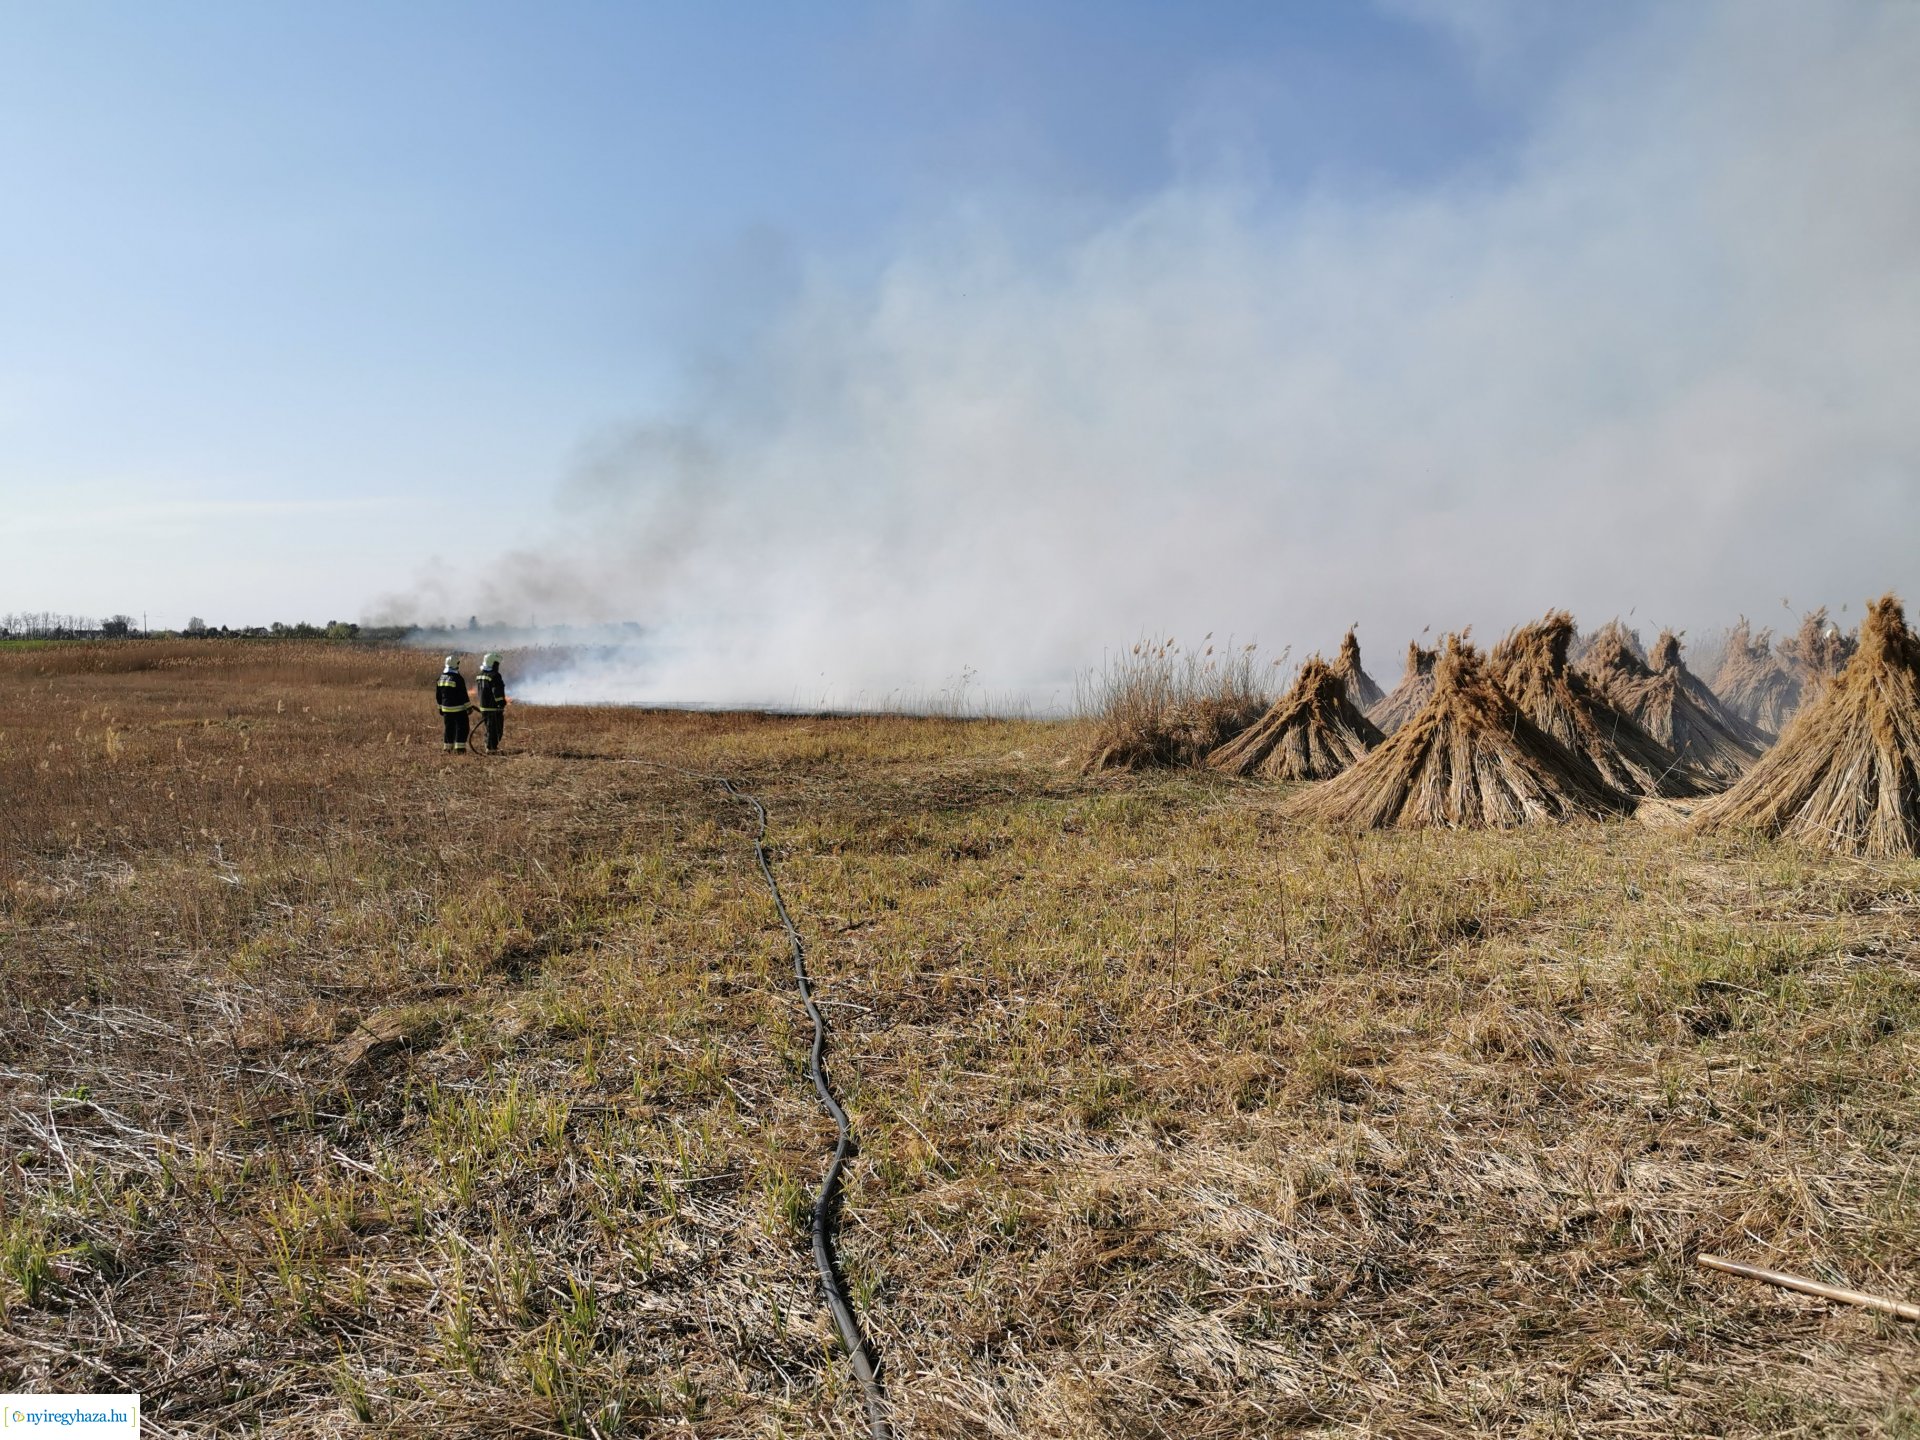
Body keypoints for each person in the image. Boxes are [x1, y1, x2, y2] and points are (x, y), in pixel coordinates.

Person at [436, 655, 473, 753]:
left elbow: (438, 695)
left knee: (449, 728)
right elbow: (463, 695)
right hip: (458, 709)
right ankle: (460, 748)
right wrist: (469, 707)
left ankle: (447, 748)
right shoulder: (457, 678)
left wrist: (440, 708)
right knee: (462, 727)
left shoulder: (441, 677)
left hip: (446, 709)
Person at [475, 652, 508, 753]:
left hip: (484, 706)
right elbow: (496, 691)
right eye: (497, 664)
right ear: (493, 663)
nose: (498, 666)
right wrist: (501, 703)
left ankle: (489, 746)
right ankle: (491, 749)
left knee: (489, 728)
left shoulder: (480, 675)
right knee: (496, 729)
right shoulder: (495, 675)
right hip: (493, 707)